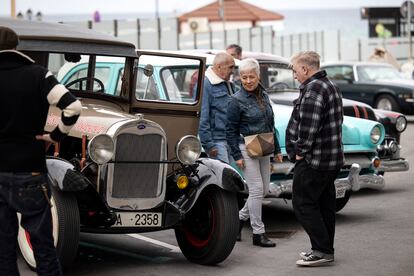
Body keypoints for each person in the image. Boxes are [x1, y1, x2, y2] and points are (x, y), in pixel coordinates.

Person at [0, 26, 82, 275]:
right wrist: (54, 136)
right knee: (44, 246)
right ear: (16, 47)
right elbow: (73, 108)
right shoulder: (38, 74)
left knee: (3, 250)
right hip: (31, 171)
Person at [286, 51, 344, 266]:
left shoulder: (313, 90)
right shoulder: (331, 85)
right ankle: (326, 249)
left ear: (305, 69)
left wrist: (300, 151)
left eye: (294, 70)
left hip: (315, 161)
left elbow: (308, 127)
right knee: (324, 205)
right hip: (331, 159)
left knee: (302, 204)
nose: (294, 75)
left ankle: (321, 250)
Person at [226, 58, 283, 247]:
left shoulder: (264, 95)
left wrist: (277, 149)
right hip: (246, 147)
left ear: (259, 76)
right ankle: (258, 233)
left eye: (251, 76)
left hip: (264, 145)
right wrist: (237, 156)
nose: (248, 81)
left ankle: (238, 220)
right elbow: (230, 131)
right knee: (257, 189)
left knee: (264, 190)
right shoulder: (235, 100)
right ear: (239, 77)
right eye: (244, 77)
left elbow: (271, 122)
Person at [199, 52, 236, 164]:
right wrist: (209, 144)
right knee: (223, 178)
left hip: (230, 139)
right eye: (231, 67)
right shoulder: (206, 84)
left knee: (234, 178)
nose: (233, 71)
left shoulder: (228, 83)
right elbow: (202, 117)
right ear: (219, 67)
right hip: (217, 142)